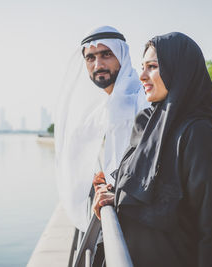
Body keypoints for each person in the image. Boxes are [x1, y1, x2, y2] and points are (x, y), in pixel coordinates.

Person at [93, 32, 212, 267]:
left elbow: (209, 228)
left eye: (153, 67)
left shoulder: (198, 134)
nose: (143, 76)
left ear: (180, 70)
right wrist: (115, 198)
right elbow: (143, 192)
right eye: (142, 67)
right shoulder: (144, 123)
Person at [55, 26, 149, 231]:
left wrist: (120, 191)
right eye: (90, 58)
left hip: (144, 220)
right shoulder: (105, 105)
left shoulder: (143, 96)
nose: (98, 64)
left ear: (122, 56)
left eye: (106, 55)